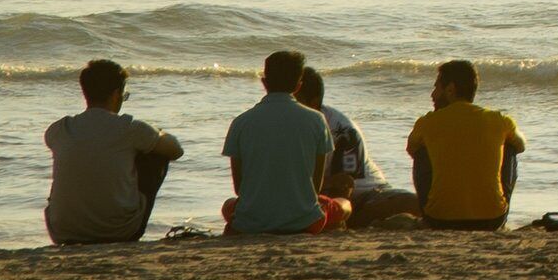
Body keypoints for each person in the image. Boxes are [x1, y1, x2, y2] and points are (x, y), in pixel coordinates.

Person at [44, 59, 183, 246]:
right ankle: (119, 213)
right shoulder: (129, 128)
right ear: (116, 94)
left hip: (62, 231)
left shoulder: (59, 129)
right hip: (119, 231)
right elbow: (175, 150)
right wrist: (157, 133)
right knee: (155, 154)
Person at [221, 48, 348, 236]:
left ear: (264, 82)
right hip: (304, 222)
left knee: (228, 205)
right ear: (298, 85)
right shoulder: (316, 120)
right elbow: (315, 186)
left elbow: (239, 188)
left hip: (251, 223)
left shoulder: (241, 122)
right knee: (344, 205)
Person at [405, 59, 525, 230]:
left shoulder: (427, 122)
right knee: (510, 145)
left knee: (422, 150)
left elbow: (412, 150)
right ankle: (493, 204)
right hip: (492, 220)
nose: (432, 95)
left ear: (450, 89)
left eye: (436, 88)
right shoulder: (498, 120)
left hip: (439, 219)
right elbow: (521, 145)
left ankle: (436, 206)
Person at [294, 64, 414, 224]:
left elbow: (344, 185)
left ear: (313, 102)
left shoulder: (342, 131)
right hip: (317, 196)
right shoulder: (281, 123)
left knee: (411, 203)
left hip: (364, 195)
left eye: (294, 100)